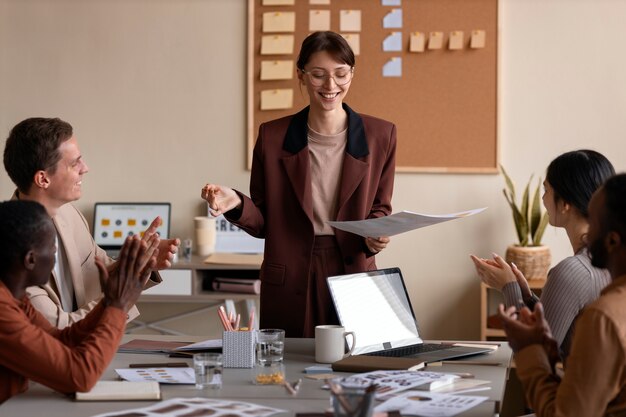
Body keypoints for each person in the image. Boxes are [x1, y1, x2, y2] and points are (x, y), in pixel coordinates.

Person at [201, 31, 397, 337]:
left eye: (341, 74)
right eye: (318, 75)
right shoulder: (273, 136)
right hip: (292, 270)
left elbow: (380, 209)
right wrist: (237, 203)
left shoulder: (381, 135)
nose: (331, 86)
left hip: (353, 266)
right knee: (289, 368)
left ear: (352, 74)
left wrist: (376, 235)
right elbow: (265, 221)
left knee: (357, 365)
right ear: (301, 76)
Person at [3, 117, 180, 328]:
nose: (85, 168)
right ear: (43, 179)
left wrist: (139, 262)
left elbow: (99, 270)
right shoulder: (10, 250)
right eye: (74, 163)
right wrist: (120, 299)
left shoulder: (70, 214)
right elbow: (58, 329)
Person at [0, 200, 159, 403]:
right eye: (52, 248)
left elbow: (60, 340)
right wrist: (117, 306)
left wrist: (108, 302)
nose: (56, 256)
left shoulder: (16, 298)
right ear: (30, 259)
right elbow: (80, 376)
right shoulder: (3, 310)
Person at [498, 173, 626, 417]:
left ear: (612, 241)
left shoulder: (603, 318)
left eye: (594, 222)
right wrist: (547, 347)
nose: (587, 232)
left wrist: (529, 350)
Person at [471, 150, 614, 360]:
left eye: (546, 190)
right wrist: (527, 297)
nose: (543, 199)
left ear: (565, 204)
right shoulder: (610, 260)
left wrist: (508, 288)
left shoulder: (572, 272)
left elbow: (538, 356)